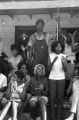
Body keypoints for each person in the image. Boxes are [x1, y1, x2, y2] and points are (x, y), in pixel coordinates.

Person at [48, 40, 67, 120]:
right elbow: (48, 69)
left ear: (62, 47)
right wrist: (53, 61)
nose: (58, 48)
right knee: (52, 99)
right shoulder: (50, 55)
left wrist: (63, 63)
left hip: (61, 78)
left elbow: (65, 70)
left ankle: (58, 117)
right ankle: (52, 117)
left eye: (60, 46)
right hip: (52, 78)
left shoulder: (64, 56)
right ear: (54, 47)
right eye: (57, 46)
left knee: (60, 99)